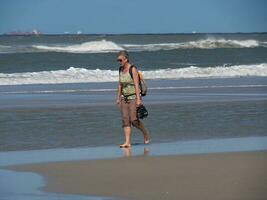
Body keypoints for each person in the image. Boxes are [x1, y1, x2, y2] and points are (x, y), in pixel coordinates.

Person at [116, 50, 150, 148]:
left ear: (126, 59)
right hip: (124, 98)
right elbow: (120, 84)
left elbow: (136, 84)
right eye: (117, 60)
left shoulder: (133, 69)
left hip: (134, 97)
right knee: (125, 120)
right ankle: (127, 142)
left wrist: (139, 99)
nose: (119, 62)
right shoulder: (120, 69)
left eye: (120, 60)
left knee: (134, 120)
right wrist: (118, 97)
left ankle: (145, 132)